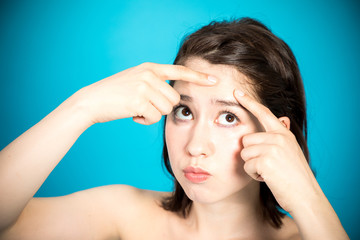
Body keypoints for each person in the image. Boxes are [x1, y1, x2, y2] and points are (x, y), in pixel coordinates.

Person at [0, 17, 348, 240]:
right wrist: (82, 107)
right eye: (183, 110)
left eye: (228, 117)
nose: (196, 146)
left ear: (276, 134)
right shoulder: (124, 215)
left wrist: (307, 196)